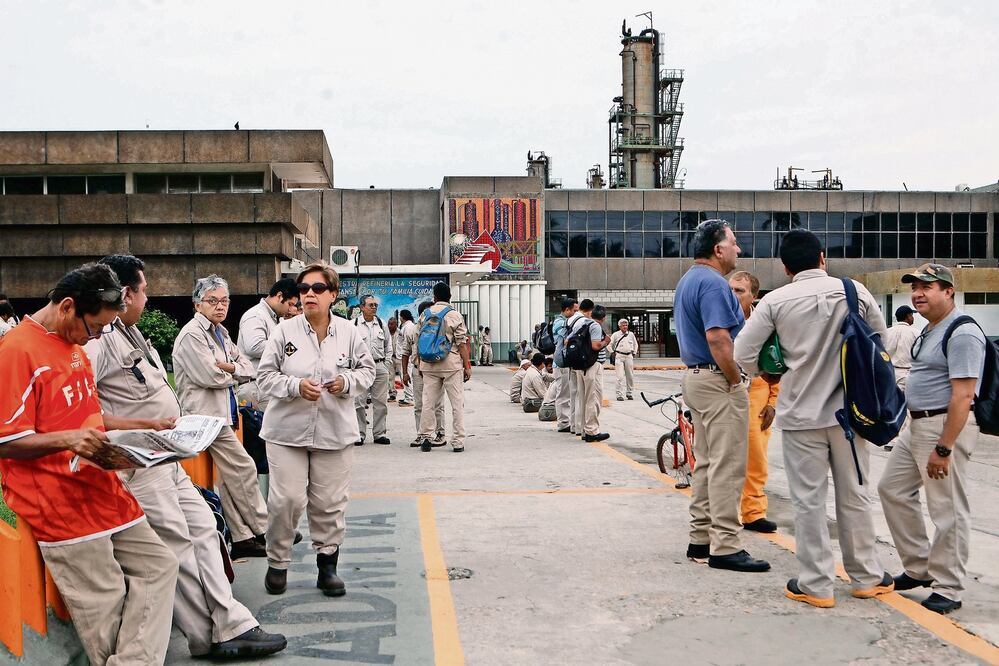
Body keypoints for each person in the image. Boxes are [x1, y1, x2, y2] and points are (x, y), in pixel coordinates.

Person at [86, 254, 286, 659]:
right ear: (125, 294)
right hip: (139, 462)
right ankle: (208, 633)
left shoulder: (131, 333)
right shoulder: (101, 341)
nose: (148, 298)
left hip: (167, 455)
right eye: (144, 290)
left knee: (205, 531)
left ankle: (232, 622)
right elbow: (84, 406)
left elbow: (238, 366)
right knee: (178, 545)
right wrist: (133, 429)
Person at [0, 263, 180, 665]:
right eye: (96, 327)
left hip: (103, 489)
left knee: (160, 564)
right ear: (67, 306)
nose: (98, 336)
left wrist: (143, 425)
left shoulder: (77, 347)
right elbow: (6, 441)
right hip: (56, 500)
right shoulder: (16, 350)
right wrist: (68, 441)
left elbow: (87, 417)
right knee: (105, 599)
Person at [734, 229, 889, 605]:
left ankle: (816, 584)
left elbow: (742, 354)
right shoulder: (854, 291)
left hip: (801, 416)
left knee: (809, 501)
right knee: (854, 496)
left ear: (785, 267)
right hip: (852, 416)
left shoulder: (775, 302)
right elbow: (880, 342)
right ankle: (866, 577)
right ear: (823, 258)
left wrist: (773, 369)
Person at [256, 263, 376, 597]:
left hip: (334, 431)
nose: (309, 294)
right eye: (304, 289)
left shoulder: (351, 333)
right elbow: (264, 377)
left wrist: (346, 382)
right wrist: (295, 386)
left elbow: (368, 371)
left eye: (318, 289)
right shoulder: (284, 332)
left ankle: (328, 566)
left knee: (329, 502)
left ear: (333, 296)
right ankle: (278, 562)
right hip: (286, 433)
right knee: (286, 499)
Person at [878, 264, 985, 615]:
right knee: (892, 489)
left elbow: (964, 396)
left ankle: (949, 587)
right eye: (915, 288)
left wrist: (944, 447)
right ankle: (919, 568)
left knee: (947, 509)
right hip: (917, 426)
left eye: (928, 287)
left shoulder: (963, 332)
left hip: (943, 427)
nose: (918, 293)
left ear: (949, 291)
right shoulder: (929, 330)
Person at [675, 219, 769, 573]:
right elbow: (718, 338)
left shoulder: (688, 280)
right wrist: (735, 378)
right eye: (734, 243)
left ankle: (700, 539)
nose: (738, 250)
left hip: (696, 379)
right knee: (728, 465)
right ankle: (726, 545)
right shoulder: (714, 284)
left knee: (706, 462)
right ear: (718, 249)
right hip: (717, 381)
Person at [173, 275, 269, 559]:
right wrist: (231, 370)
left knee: (229, 479)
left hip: (223, 413)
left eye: (224, 300)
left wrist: (227, 367)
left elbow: (247, 367)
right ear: (197, 304)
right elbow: (209, 375)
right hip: (205, 417)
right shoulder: (192, 334)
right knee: (243, 468)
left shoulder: (221, 332)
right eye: (212, 301)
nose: (220, 306)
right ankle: (263, 528)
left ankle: (242, 538)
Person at [729, 270, 780, 534]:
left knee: (756, 457)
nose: (733, 295)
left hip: (757, 392)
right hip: (725, 390)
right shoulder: (720, 319)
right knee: (724, 458)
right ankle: (723, 513)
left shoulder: (765, 325)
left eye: (740, 291)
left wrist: (772, 401)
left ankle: (753, 512)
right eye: (731, 289)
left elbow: (776, 364)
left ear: (754, 296)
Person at [416, 283, 471, 453]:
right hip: (450, 365)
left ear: (434, 297)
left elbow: (419, 340)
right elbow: (461, 343)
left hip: (428, 364)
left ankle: (426, 436)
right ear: (450, 297)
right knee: (456, 403)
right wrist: (467, 365)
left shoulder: (424, 315)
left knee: (428, 402)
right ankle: (458, 441)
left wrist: (420, 363)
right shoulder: (454, 315)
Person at [236, 277, 299, 411]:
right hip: (255, 387)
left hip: (266, 386)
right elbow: (254, 347)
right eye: (290, 304)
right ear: (279, 296)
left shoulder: (275, 318)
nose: (291, 309)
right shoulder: (255, 315)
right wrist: (288, 347)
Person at [401, 301, 446, 447]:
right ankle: (421, 434)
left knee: (437, 404)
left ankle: (440, 433)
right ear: (421, 315)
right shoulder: (412, 330)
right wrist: (405, 373)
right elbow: (405, 352)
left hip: (435, 369)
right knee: (419, 404)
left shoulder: (440, 329)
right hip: (417, 371)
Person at [353, 294, 392, 445]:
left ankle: (379, 434)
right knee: (359, 402)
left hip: (379, 366)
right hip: (360, 368)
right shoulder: (353, 325)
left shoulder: (382, 324)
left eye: (375, 305)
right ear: (362, 307)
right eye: (370, 305)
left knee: (381, 402)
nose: (374, 307)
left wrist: (386, 364)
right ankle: (359, 434)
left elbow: (389, 346)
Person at [569, 302, 611, 442]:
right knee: (593, 399)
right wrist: (606, 341)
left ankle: (583, 430)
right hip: (593, 365)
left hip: (581, 366)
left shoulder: (581, 324)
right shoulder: (596, 326)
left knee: (583, 398)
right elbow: (595, 345)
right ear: (603, 318)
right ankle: (592, 432)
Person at [565, 299, 592, 436]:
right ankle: (580, 428)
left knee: (573, 394)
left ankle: (573, 426)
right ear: (589, 310)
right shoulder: (583, 321)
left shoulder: (570, 319)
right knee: (581, 396)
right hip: (580, 361)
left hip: (570, 359)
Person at [552, 297, 578, 433]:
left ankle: (567, 421)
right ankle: (563, 423)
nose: (576, 313)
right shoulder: (560, 323)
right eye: (574, 311)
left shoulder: (564, 322)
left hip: (564, 363)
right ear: (567, 310)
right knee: (563, 394)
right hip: (561, 364)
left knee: (567, 393)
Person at [883, 305, 920, 391]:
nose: (913, 318)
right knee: (904, 402)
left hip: (889, 373)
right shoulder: (916, 333)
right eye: (912, 315)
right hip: (906, 374)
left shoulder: (887, 332)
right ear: (908, 316)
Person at [610, 318, 639, 401]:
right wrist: (612, 352)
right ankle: (619, 394)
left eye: (626, 325)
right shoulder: (615, 335)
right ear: (620, 326)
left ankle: (629, 393)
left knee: (630, 376)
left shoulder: (631, 334)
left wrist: (634, 353)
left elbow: (635, 344)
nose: (625, 327)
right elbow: (609, 344)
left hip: (629, 356)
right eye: (623, 325)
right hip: (619, 356)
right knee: (619, 376)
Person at [388, 316, 401, 401]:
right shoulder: (385, 333)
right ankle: (392, 394)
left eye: (392, 324)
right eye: (389, 324)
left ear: (396, 324)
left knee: (403, 375)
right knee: (390, 376)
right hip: (390, 358)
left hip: (399, 357)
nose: (390, 326)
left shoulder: (400, 332)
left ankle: (409, 395)